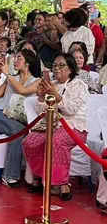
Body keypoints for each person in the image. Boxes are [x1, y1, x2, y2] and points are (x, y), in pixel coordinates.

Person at [23, 53, 87, 200]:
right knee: (30, 141)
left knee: (56, 141)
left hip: (74, 127)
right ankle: (39, 178)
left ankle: (62, 183)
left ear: (70, 69)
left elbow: (70, 110)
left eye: (61, 65)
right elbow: (43, 112)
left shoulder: (78, 85)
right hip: (51, 126)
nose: (57, 68)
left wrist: (55, 94)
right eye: (55, 65)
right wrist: (41, 96)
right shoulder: (52, 84)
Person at [0, 50, 40, 187]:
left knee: (22, 131)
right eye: (15, 58)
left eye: (19, 58)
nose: (15, 61)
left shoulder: (37, 81)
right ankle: (9, 175)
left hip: (19, 119)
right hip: (0, 115)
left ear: (28, 63)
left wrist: (8, 74)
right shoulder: (11, 77)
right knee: (18, 131)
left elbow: (22, 90)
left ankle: (32, 176)